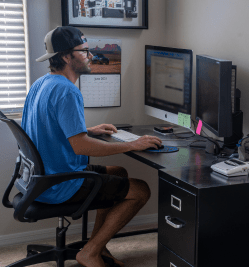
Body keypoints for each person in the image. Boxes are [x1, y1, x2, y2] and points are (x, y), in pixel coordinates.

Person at [22, 26, 162, 267]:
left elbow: (48, 128)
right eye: (84, 51)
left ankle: (97, 244)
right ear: (67, 56)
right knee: (141, 190)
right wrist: (133, 145)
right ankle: (89, 252)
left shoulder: (42, 84)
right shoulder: (67, 91)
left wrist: (89, 130)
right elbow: (81, 147)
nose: (90, 55)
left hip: (38, 179)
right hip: (60, 183)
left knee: (119, 173)